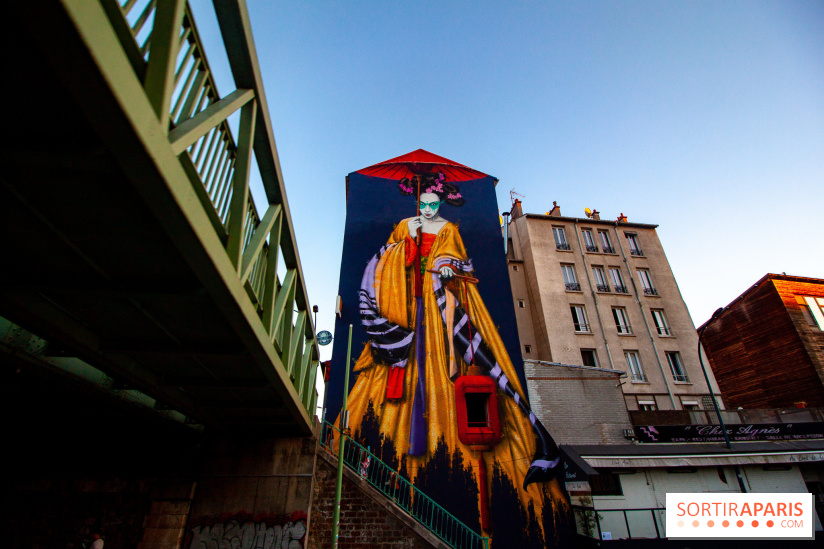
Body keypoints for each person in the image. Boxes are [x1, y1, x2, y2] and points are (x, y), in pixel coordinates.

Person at [339, 173, 566, 525]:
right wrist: (405, 251)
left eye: (433, 204)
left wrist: (444, 266)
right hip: (406, 305)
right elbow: (384, 260)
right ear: (417, 201)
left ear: (440, 202)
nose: (428, 208)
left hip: (438, 310)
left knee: (449, 372)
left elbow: (456, 259)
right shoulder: (403, 225)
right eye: (423, 203)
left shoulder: (448, 229)